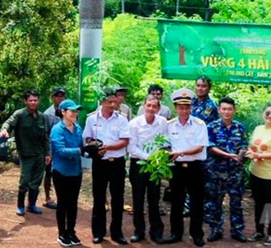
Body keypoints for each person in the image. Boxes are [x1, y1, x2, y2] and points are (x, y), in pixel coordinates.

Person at [83, 88, 131, 244]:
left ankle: (117, 232)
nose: (112, 104)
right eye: (109, 101)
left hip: (117, 163)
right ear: (102, 101)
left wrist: (108, 148)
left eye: (114, 101)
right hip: (100, 163)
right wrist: (93, 146)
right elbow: (87, 138)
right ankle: (98, 232)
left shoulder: (122, 119)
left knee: (118, 198)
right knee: (99, 197)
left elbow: (125, 141)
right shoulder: (92, 119)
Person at [164, 88, 208, 247]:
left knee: (197, 202)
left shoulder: (199, 124)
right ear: (175, 108)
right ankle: (176, 233)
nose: (184, 110)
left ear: (191, 108)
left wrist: (180, 152)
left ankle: (197, 234)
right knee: (176, 201)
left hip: (195, 167)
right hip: (176, 168)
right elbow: (165, 145)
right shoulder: (169, 125)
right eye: (181, 107)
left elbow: (200, 147)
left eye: (187, 107)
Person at [50, 99, 97, 247]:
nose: (75, 113)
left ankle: (71, 231)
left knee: (73, 203)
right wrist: (81, 150)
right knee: (63, 203)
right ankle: (61, 233)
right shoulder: (57, 129)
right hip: (61, 171)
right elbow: (61, 151)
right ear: (63, 112)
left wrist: (91, 152)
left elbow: (81, 148)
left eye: (76, 111)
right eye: (72, 111)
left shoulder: (77, 128)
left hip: (76, 171)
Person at [0, 90, 51, 216]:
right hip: (26, 155)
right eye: (30, 100)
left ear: (39, 101)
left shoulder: (42, 117)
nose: (33, 102)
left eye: (35, 100)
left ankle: (31, 205)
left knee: (36, 182)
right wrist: (4, 130)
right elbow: (8, 123)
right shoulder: (20, 115)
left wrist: (47, 153)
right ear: (25, 101)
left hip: (40, 155)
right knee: (25, 181)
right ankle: (20, 206)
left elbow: (45, 137)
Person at [204, 97, 248, 243]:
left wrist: (243, 153)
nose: (227, 112)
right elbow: (210, 147)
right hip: (215, 171)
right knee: (215, 202)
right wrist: (228, 155)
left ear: (234, 110)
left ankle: (237, 230)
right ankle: (216, 229)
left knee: (236, 202)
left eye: (229, 109)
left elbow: (244, 145)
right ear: (219, 110)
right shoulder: (212, 126)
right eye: (224, 109)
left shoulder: (240, 127)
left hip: (235, 172)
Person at [127, 95, 167, 244]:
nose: (151, 109)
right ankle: (139, 231)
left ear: (158, 108)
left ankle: (156, 232)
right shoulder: (134, 123)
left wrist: (157, 158)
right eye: (148, 105)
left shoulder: (162, 122)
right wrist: (147, 158)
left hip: (156, 165)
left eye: (154, 106)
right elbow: (131, 147)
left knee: (154, 198)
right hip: (138, 163)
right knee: (138, 199)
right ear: (144, 106)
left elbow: (164, 142)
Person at [246, 103, 271, 246]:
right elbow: (252, 147)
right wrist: (251, 154)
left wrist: (257, 154)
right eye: (268, 113)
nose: (270, 116)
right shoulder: (258, 129)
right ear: (263, 113)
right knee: (259, 204)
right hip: (256, 172)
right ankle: (259, 231)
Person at [43, 87, 67, 210]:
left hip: (65, 149)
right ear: (53, 98)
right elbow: (46, 133)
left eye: (62, 96)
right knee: (49, 173)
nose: (60, 98)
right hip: (52, 149)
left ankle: (62, 198)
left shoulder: (69, 112)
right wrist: (48, 152)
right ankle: (48, 198)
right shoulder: (48, 114)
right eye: (57, 96)